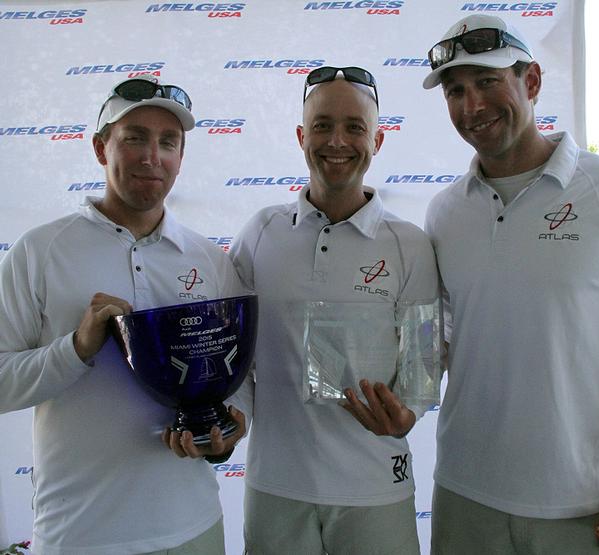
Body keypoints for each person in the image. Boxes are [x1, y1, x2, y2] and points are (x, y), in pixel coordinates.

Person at [422, 13, 599, 555]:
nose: (472, 106)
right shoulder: (442, 214)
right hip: (465, 499)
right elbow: (433, 344)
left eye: (487, 81)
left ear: (530, 82)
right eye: (456, 90)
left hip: (584, 506)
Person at [0, 76, 246, 554]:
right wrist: (75, 349)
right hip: (79, 536)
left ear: (180, 156)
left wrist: (227, 437)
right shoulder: (39, 251)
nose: (152, 156)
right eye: (134, 137)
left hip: (193, 528)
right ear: (99, 148)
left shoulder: (208, 259)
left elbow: (236, 380)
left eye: (168, 142)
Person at [229, 66, 440, 555]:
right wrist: (231, 414)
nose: (337, 141)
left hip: (374, 489)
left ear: (378, 140)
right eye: (322, 125)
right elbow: (233, 355)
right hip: (276, 487)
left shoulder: (408, 244)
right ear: (301, 136)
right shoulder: (260, 233)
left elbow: (424, 361)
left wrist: (408, 411)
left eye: (354, 127)